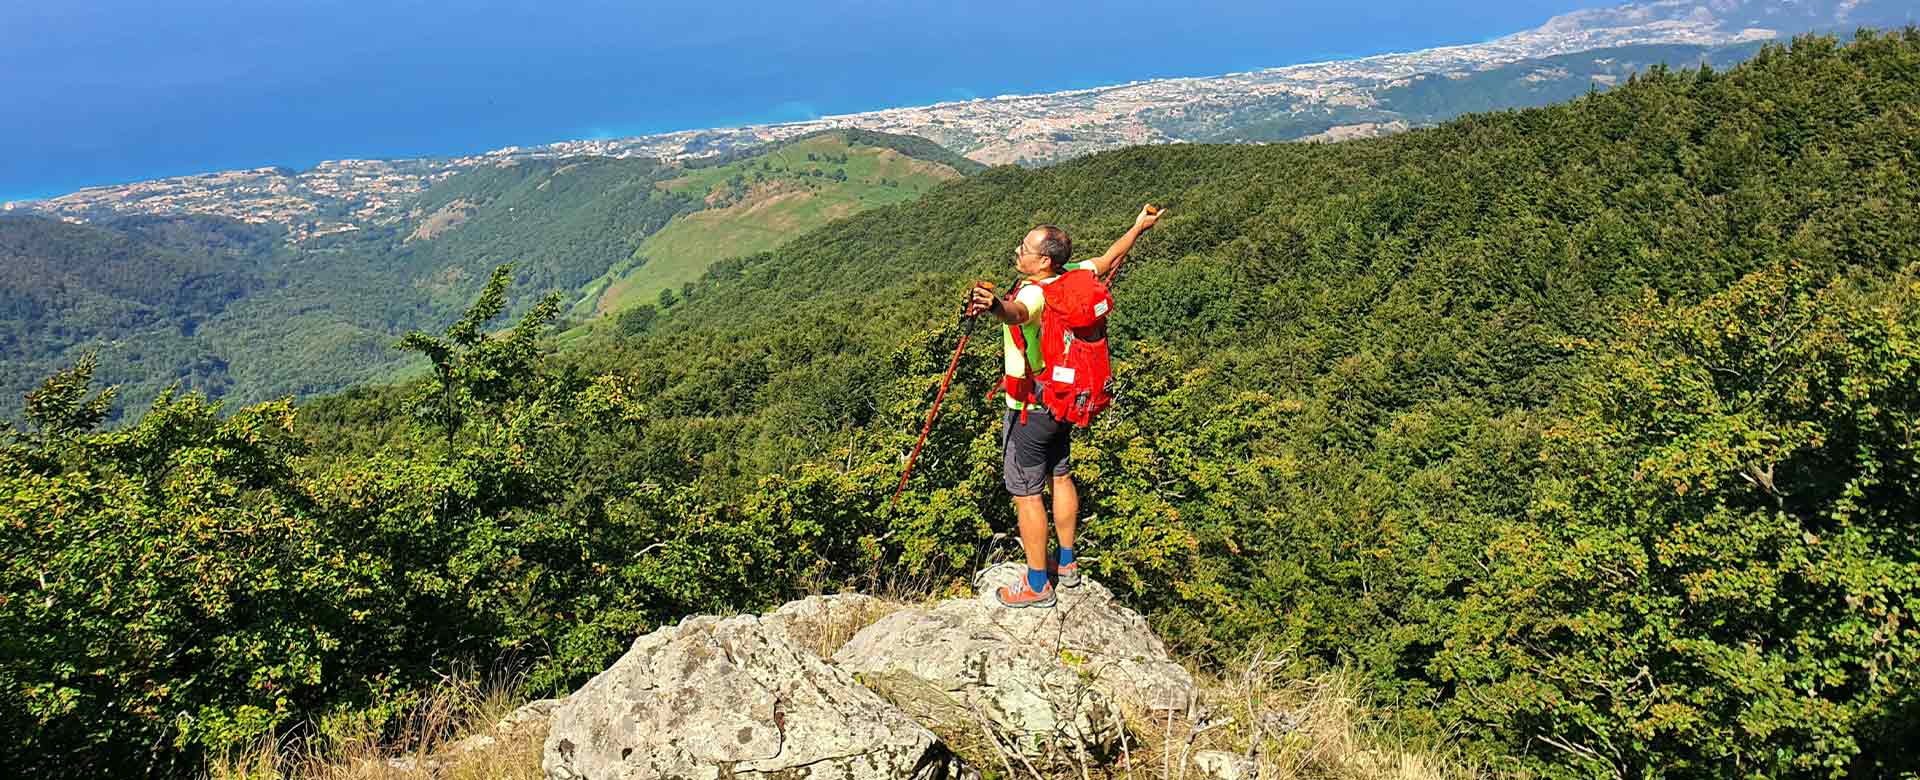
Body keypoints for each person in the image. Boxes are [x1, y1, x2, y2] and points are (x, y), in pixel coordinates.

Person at [964, 204, 1164, 608]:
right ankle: (1067, 565)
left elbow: (1017, 314)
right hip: (1063, 404)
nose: (1018, 251)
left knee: (1026, 494)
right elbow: (1109, 258)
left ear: (1044, 260)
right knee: (1061, 475)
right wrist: (1138, 226)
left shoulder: (1035, 294)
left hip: (1030, 409)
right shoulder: (1074, 274)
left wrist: (995, 307)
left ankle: (1037, 583)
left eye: (1025, 247)